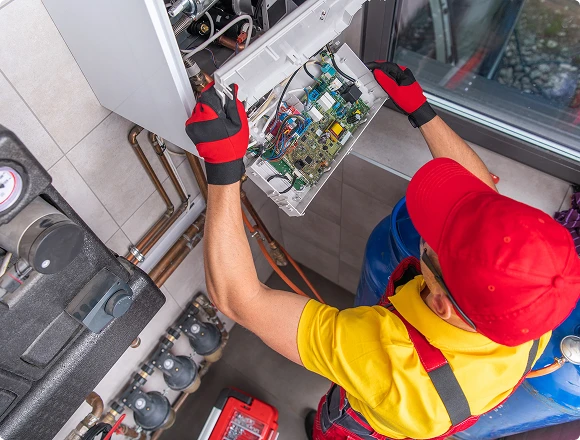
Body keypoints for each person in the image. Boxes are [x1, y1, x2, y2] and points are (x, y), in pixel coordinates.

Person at [185, 62, 580, 440]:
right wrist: (421, 110)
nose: (428, 227)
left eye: (432, 240)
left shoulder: (387, 364)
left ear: (442, 303)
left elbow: (239, 299)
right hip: (461, 393)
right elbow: (484, 199)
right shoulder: (537, 296)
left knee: (333, 426)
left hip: (369, 426)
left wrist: (223, 171)